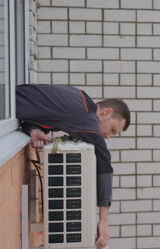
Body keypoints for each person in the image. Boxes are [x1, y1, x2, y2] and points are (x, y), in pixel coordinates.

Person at [16, 84, 130, 249]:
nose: (108, 136)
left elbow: (35, 119)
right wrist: (103, 221)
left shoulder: (79, 98)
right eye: (112, 129)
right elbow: (104, 164)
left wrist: (34, 130)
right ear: (106, 112)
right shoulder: (87, 119)